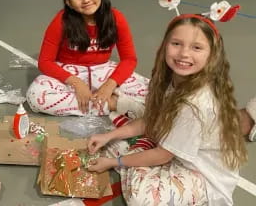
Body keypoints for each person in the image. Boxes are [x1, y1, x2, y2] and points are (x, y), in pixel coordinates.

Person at [86, 14, 247, 205]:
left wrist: (115, 162)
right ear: (164, 46)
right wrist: (108, 136)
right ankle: (136, 153)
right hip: (176, 153)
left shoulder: (195, 104)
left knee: (140, 199)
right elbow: (152, 119)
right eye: (176, 44)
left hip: (203, 177)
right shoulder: (175, 80)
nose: (184, 54)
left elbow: (163, 155)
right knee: (114, 142)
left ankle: (134, 155)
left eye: (196, 47)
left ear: (212, 54)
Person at [26, 0, 148, 117]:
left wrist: (110, 85)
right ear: (68, 3)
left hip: (104, 71)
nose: (86, 0)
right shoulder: (61, 21)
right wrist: (77, 83)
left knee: (151, 91)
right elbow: (45, 62)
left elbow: (129, 59)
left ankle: (99, 102)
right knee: (35, 96)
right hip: (69, 73)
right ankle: (114, 104)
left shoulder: (116, 18)